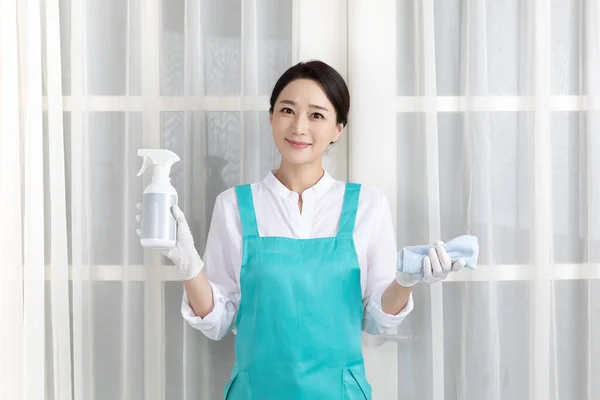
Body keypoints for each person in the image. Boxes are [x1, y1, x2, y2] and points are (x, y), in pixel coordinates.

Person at [160, 60, 464, 399]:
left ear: (338, 129)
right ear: (271, 117)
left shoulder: (367, 205)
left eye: (317, 115)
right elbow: (218, 321)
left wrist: (406, 281)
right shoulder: (234, 206)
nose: (299, 127)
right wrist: (190, 268)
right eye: (288, 110)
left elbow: (375, 319)